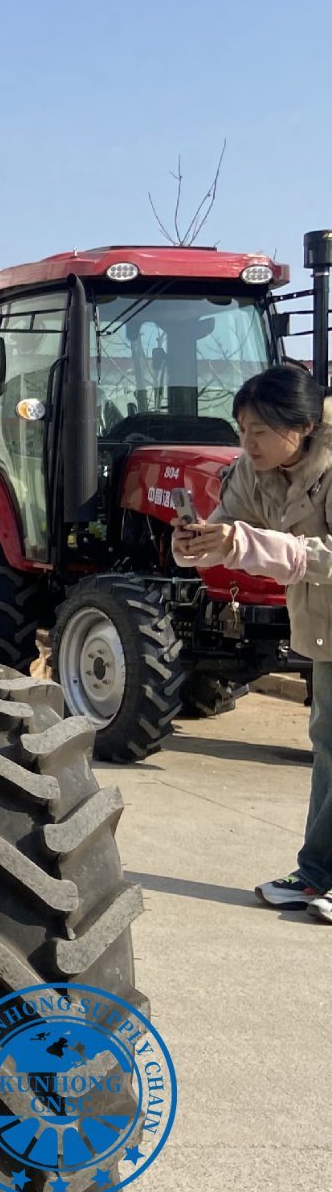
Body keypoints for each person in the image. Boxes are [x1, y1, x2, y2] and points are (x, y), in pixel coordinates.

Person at [174, 363, 332, 922]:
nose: (248, 442)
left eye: (260, 430)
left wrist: (248, 543)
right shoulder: (251, 470)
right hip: (324, 626)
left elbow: (313, 555)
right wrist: (198, 543)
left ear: (306, 425)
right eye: (241, 428)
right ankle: (315, 875)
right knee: (328, 751)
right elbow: (230, 530)